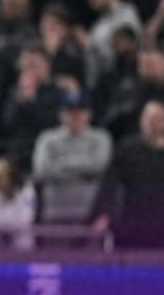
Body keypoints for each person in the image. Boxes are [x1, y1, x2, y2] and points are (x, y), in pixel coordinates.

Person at [92, 102, 164, 250]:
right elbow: (110, 184)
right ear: (141, 121)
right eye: (149, 119)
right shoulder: (126, 149)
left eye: (158, 119)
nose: (153, 124)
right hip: (130, 223)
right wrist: (105, 214)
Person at [33, 92, 112, 223]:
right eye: (70, 112)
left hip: (90, 212)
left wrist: (62, 163)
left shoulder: (101, 138)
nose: (75, 116)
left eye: (80, 111)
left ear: (89, 114)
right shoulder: (47, 139)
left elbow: (100, 167)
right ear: (61, 114)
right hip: (54, 211)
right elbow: (42, 170)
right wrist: (84, 170)